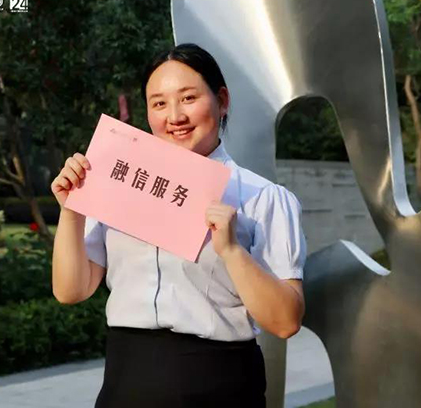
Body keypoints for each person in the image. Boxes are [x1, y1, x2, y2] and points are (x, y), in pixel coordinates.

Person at [51, 43, 306, 408]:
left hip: (222, 386)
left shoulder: (262, 197)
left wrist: (232, 252)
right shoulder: (116, 182)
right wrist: (72, 211)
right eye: (159, 103)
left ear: (222, 100)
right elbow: (70, 290)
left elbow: (285, 321)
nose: (175, 116)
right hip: (126, 383)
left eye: (188, 98)